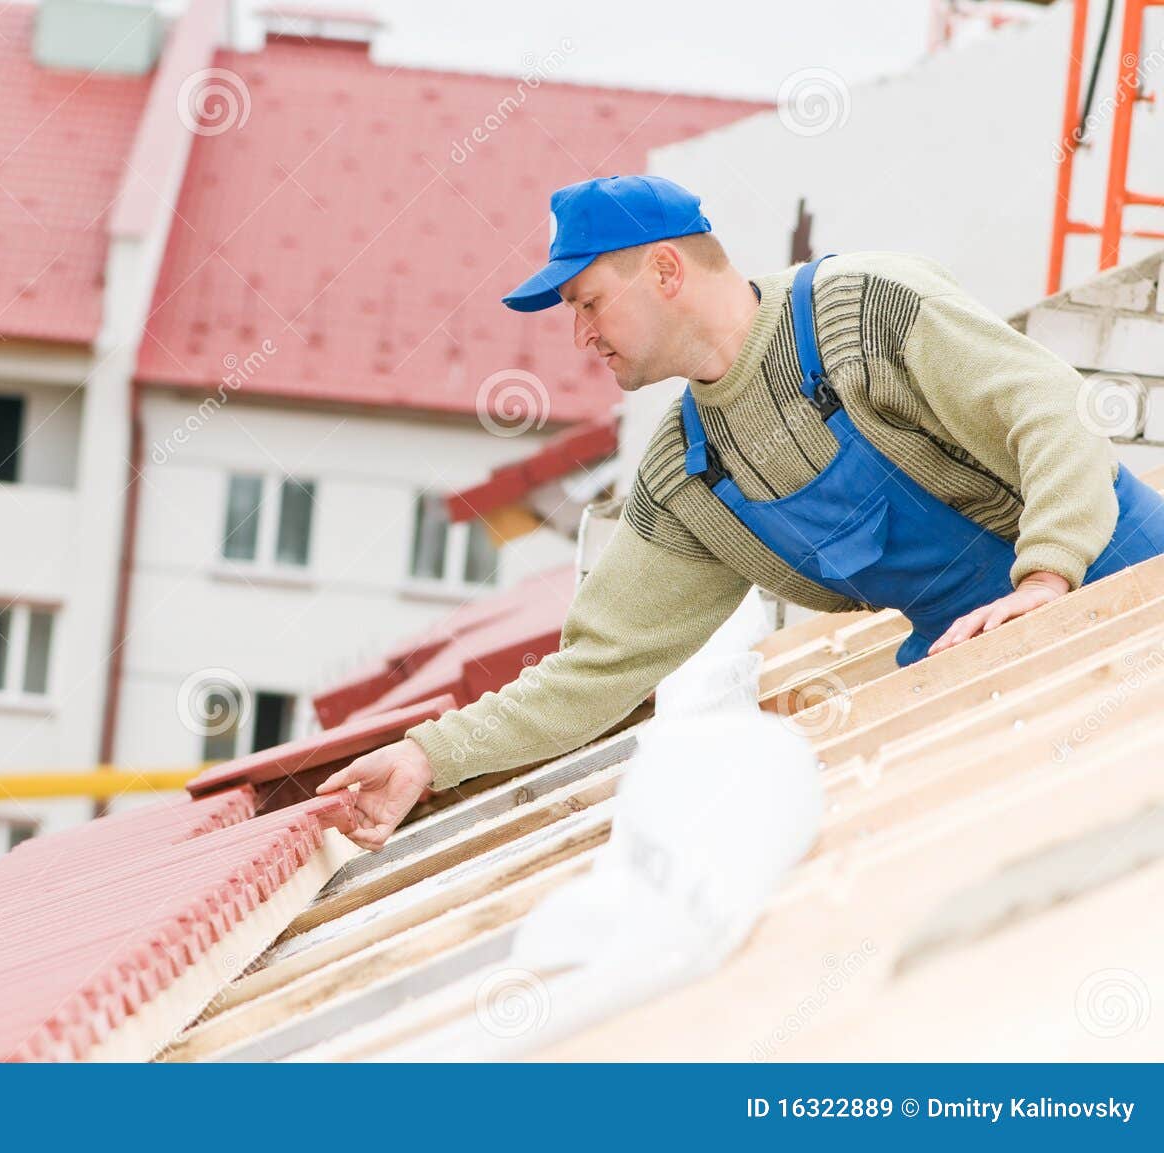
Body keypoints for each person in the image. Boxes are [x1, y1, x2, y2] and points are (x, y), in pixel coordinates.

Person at [318, 173, 1164, 851]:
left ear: (665, 270)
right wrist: (430, 754)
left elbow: (1050, 410)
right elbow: (597, 667)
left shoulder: (864, 311)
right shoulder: (688, 476)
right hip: (972, 669)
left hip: (1124, 590)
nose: (579, 335)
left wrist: (1046, 580)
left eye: (586, 301)